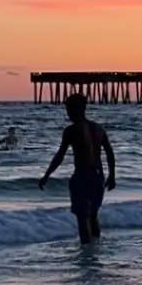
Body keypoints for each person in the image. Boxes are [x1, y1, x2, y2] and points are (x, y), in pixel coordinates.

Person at [39, 93, 115, 243]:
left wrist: (47, 175)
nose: (68, 113)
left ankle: (87, 254)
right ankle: (95, 248)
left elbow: (60, 156)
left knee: (82, 217)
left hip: (82, 176)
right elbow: (109, 153)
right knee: (92, 215)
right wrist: (112, 176)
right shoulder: (99, 129)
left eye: (69, 109)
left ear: (78, 109)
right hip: (98, 177)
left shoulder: (71, 131)